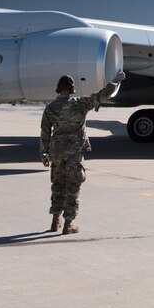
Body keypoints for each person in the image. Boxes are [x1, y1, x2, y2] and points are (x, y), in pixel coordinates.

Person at [40, 70, 125, 234]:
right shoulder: (78, 104)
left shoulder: (50, 108)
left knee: (57, 186)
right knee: (73, 187)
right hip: (74, 152)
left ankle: (54, 221)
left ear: (58, 89)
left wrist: (44, 153)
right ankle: (68, 224)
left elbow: (45, 132)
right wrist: (117, 79)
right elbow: (103, 95)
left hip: (56, 152)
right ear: (72, 89)